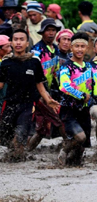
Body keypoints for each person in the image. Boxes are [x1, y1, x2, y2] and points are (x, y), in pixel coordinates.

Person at [0, 30, 59, 160]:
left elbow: (39, 85)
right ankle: (17, 156)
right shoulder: (6, 62)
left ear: (27, 43)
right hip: (9, 105)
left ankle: (18, 159)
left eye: (21, 39)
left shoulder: (34, 61)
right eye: (16, 39)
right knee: (6, 139)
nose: (18, 42)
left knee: (20, 134)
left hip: (27, 106)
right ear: (12, 43)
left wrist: (48, 100)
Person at [26, 18, 66, 152]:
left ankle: (25, 152)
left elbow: (56, 73)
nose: (51, 33)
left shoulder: (54, 49)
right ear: (42, 32)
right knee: (58, 120)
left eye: (53, 30)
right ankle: (69, 147)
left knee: (42, 129)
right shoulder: (36, 50)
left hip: (48, 91)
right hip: (37, 92)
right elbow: (32, 73)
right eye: (48, 30)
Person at [57, 32, 96, 166]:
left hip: (84, 110)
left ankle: (72, 164)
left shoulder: (90, 67)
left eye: (83, 46)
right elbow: (64, 86)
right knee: (80, 137)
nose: (80, 49)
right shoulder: (66, 67)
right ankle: (65, 148)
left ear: (87, 48)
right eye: (77, 46)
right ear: (71, 48)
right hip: (69, 108)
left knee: (82, 147)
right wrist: (81, 95)